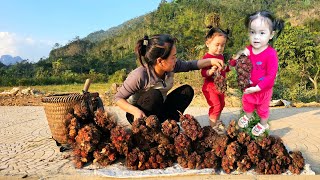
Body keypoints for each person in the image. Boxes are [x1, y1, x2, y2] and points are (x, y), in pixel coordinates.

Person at [114, 34, 224, 124]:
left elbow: (191, 65)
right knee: (154, 95)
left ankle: (169, 124)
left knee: (187, 91)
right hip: (138, 114)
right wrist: (135, 111)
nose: (176, 60)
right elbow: (118, 98)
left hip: (159, 109)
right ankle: (148, 129)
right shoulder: (139, 75)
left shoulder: (171, 66)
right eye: (173, 57)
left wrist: (211, 61)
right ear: (160, 61)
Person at [235, 10, 284, 136]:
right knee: (247, 104)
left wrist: (258, 87)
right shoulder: (248, 50)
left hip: (263, 90)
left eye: (262, 33)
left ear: (271, 34)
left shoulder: (271, 54)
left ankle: (263, 124)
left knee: (263, 109)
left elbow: (271, 75)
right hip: (250, 87)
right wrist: (238, 56)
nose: (256, 37)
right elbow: (236, 63)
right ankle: (248, 116)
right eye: (252, 32)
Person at [200, 26, 231, 134]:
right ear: (208, 43)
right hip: (210, 88)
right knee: (216, 106)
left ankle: (216, 121)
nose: (220, 48)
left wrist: (227, 68)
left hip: (220, 88)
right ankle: (214, 128)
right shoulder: (206, 58)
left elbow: (223, 68)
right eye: (217, 45)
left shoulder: (221, 57)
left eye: (222, 45)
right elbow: (203, 73)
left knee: (221, 105)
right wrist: (210, 71)